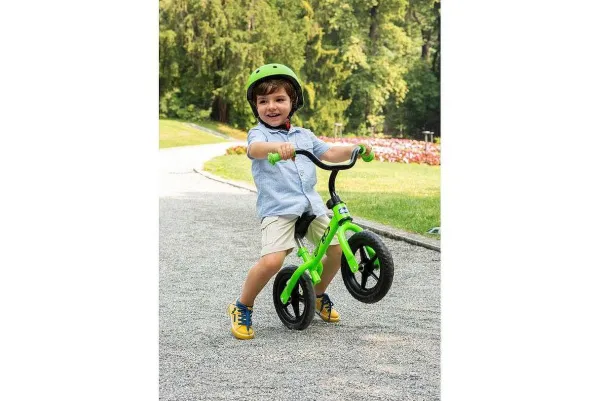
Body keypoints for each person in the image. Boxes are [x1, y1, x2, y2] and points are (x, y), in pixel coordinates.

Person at [227, 63, 372, 340]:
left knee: (337, 250)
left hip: (311, 207)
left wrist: (355, 148)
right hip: (279, 209)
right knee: (272, 262)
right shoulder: (260, 134)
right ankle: (242, 305)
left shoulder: (304, 135)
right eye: (263, 101)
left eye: (279, 99)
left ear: (292, 102)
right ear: (255, 106)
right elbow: (254, 149)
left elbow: (329, 153)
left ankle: (317, 295)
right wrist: (277, 147)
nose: (271, 106)